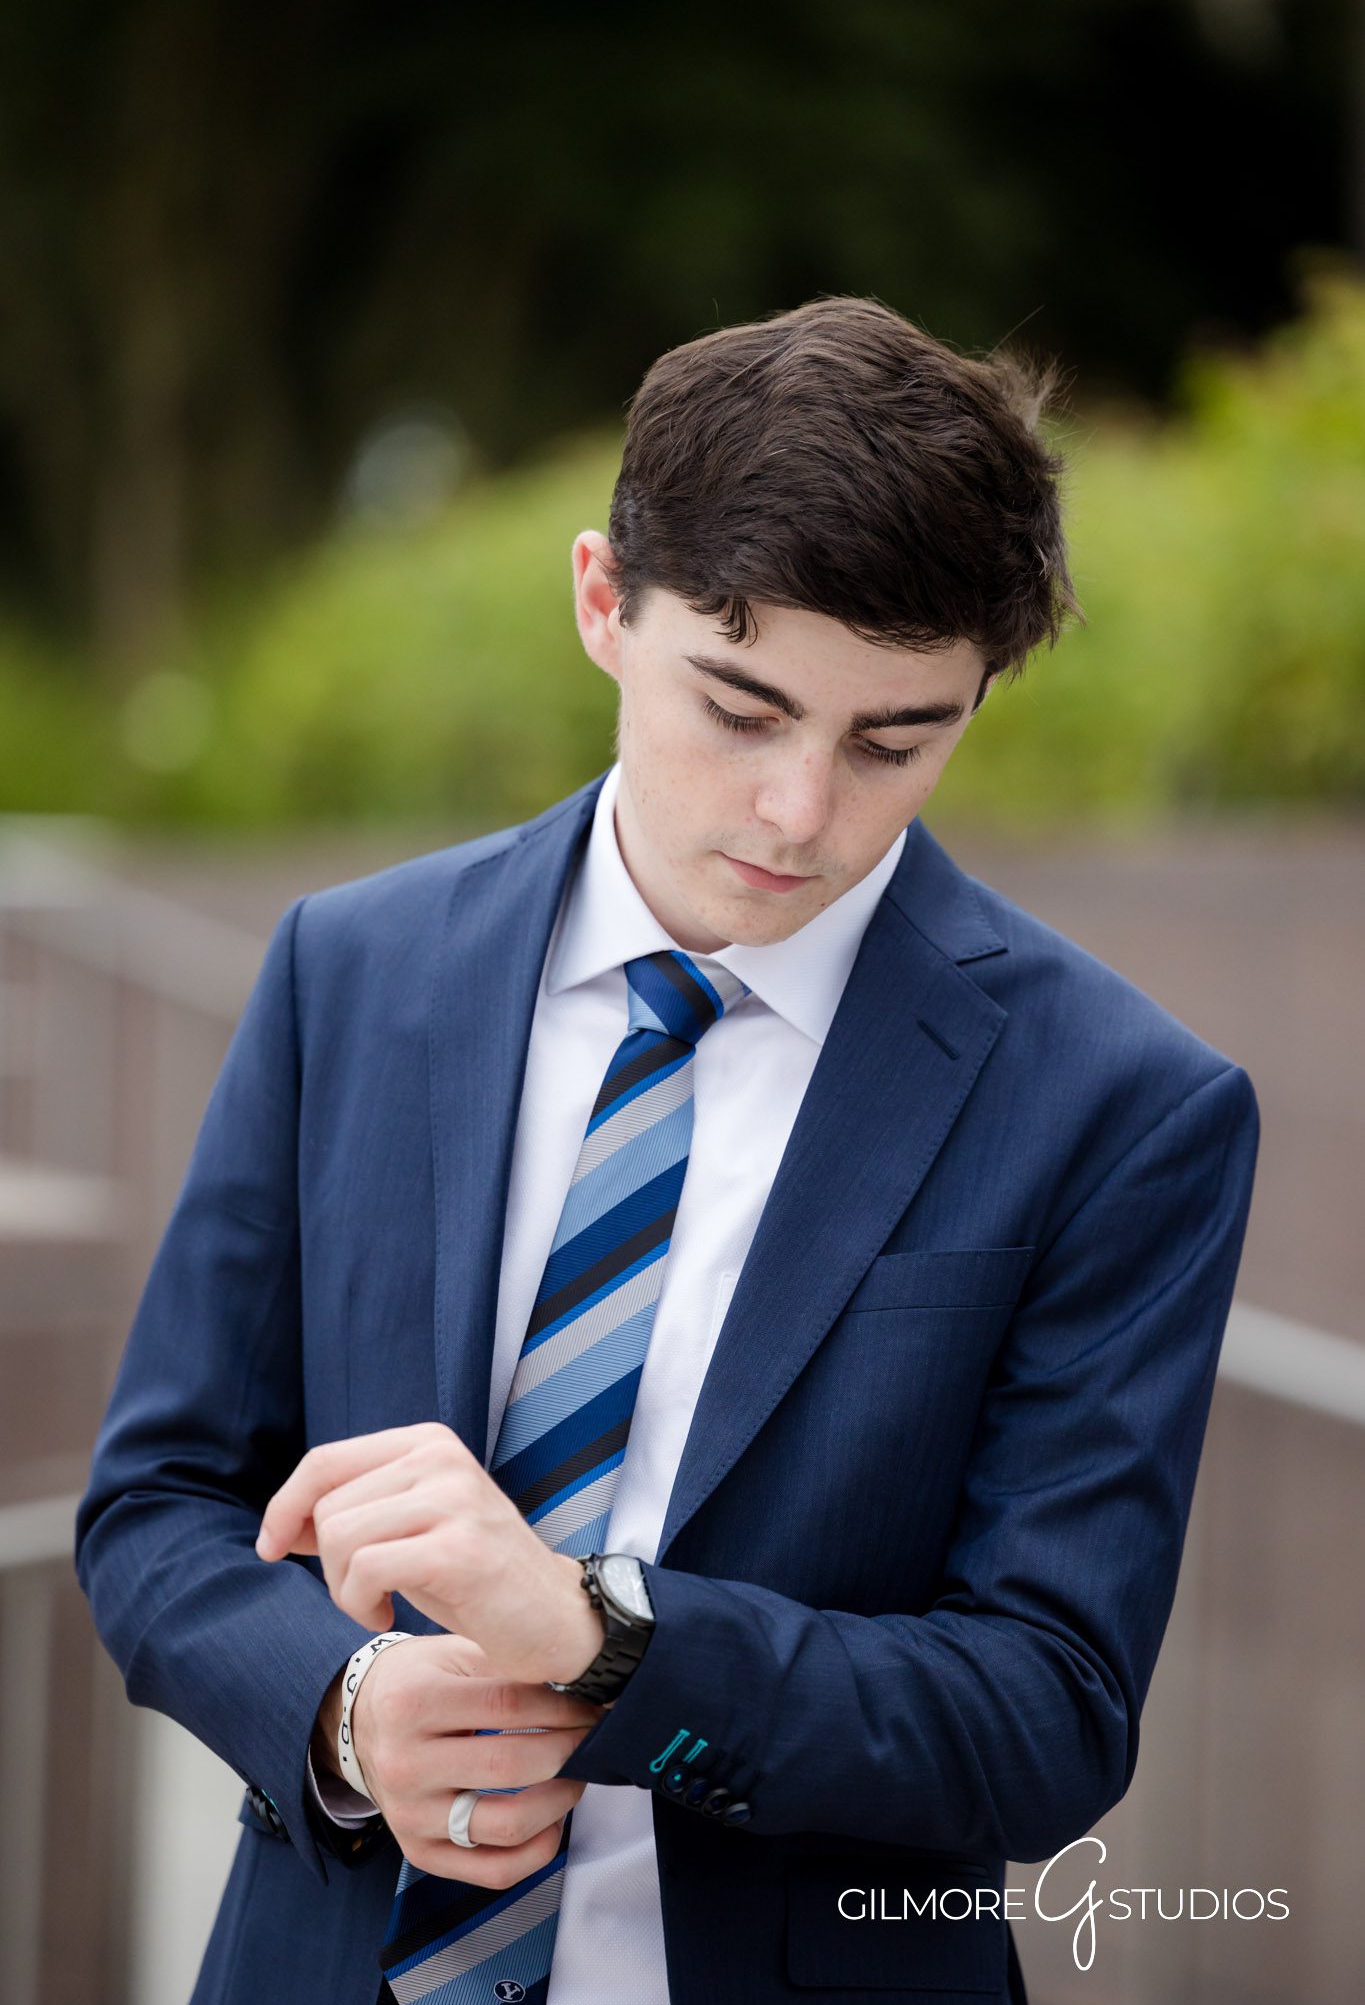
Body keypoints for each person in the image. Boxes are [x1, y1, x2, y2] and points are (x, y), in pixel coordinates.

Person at [74, 295, 1260, 2005]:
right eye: (742, 705)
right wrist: (339, 1713)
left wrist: (599, 1634)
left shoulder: (1120, 1106)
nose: (799, 811)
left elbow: (1047, 1715)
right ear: (600, 605)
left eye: (892, 740)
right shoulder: (353, 971)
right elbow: (161, 1503)